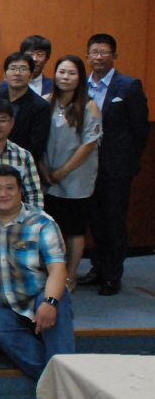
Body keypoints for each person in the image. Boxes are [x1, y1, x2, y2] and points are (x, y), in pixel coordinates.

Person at [0, 165, 74, 379]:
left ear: (20, 191)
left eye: (10, 188)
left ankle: (65, 377)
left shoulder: (42, 222)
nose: (3, 193)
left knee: (58, 305)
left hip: (37, 294)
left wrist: (49, 302)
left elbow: (58, 268)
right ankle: (57, 381)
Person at [81, 33, 149, 296]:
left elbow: (140, 129)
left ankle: (113, 275)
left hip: (116, 168)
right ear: (87, 56)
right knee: (95, 220)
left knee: (114, 221)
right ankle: (98, 268)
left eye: (104, 52)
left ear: (114, 56)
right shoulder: (81, 86)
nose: (99, 57)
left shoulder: (129, 86)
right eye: (94, 52)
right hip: (86, 166)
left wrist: (128, 161)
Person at [42, 55, 101, 293]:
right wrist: (44, 169)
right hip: (47, 177)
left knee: (74, 230)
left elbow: (89, 144)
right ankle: (50, 273)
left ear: (80, 78)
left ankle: (71, 275)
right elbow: (38, 139)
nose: (65, 77)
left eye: (72, 73)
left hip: (76, 178)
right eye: (62, 72)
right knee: (49, 228)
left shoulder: (89, 105)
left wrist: (63, 171)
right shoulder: (46, 102)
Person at [0, 52, 51, 163]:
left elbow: (37, 146)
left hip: (22, 163)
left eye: (23, 69)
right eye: (13, 68)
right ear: (5, 75)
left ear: (31, 76)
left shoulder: (40, 106)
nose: (17, 73)